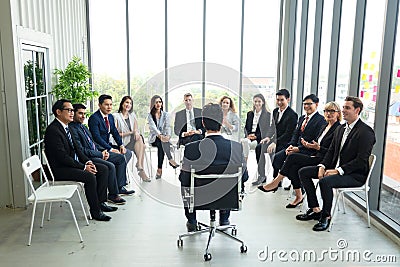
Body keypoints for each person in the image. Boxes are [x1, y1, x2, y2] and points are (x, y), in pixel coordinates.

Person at [296, 96, 375, 231]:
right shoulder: (341, 128)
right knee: (303, 172)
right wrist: (322, 166)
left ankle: (326, 216)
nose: (343, 110)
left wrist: (338, 170)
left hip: (354, 175)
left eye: (347, 108)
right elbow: (331, 152)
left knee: (325, 182)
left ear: (357, 110)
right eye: (343, 107)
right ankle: (315, 209)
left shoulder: (366, 132)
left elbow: (361, 161)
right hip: (333, 168)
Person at [179, 103, 249, 232]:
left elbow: (184, 180)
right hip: (228, 198)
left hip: (200, 198)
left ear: (204, 123)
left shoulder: (191, 149)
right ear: (222, 122)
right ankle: (224, 218)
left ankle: (192, 221)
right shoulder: (236, 148)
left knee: (185, 185)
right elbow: (244, 177)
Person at [259, 101, 342, 209]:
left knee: (292, 157)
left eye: (332, 111)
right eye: (326, 111)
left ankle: (276, 181)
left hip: (325, 161)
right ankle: (299, 197)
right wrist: (308, 145)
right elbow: (313, 141)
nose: (329, 114)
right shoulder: (325, 126)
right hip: (315, 155)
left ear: (338, 113)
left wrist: (317, 148)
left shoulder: (338, 129)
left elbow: (333, 151)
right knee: (293, 167)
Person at [44, 99, 115, 221]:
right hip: (59, 169)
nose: (72, 113)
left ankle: (101, 203)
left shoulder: (68, 127)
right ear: (58, 112)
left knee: (102, 168)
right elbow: (63, 158)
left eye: (72, 110)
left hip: (70, 164)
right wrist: (83, 167)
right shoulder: (53, 131)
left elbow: (78, 149)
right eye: (69, 110)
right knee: (89, 176)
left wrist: (88, 162)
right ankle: (95, 211)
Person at [70, 103, 127, 205]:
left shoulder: (82, 126)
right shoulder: (73, 128)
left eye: (84, 113)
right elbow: (81, 150)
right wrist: (100, 154)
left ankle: (119, 187)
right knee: (109, 166)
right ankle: (112, 195)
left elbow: (93, 142)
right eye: (80, 114)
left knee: (120, 158)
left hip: (98, 151)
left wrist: (104, 151)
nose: (83, 116)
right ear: (73, 113)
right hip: (89, 156)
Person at [270, 94, 326, 186]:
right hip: (296, 147)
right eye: (304, 104)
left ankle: (295, 183)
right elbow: (295, 134)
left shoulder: (321, 120)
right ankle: (295, 180)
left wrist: (298, 149)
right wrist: (291, 145)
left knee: (292, 163)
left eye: (309, 104)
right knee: (277, 158)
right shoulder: (302, 118)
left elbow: (315, 139)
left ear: (316, 104)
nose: (306, 106)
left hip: (308, 150)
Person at [88, 94, 135, 195]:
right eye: (106, 105)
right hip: (99, 148)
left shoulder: (110, 117)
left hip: (107, 144)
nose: (109, 107)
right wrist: (110, 149)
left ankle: (119, 184)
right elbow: (96, 138)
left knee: (128, 153)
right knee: (120, 158)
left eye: (110, 105)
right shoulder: (94, 118)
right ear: (100, 105)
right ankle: (118, 187)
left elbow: (114, 132)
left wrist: (121, 145)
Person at [253, 89, 298, 186]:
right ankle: (262, 176)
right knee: (259, 148)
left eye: (282, 100)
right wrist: (268, 137)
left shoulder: (293, 115)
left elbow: (288, 134)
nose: (279, 102)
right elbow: (272, 128)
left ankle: (276, 179)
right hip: (275, 140)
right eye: (278, 100)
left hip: (285, 142)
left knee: (275, 155)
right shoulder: (275, 111)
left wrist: (275, 143)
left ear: (288, 100)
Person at [113, 96, 149, 182]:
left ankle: (139, 164)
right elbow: (115, 134)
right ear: (122, 104)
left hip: (132, 141)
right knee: (142, 147)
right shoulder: (116, 116)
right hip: (122, 143)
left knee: (139, 138)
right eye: (126, 102)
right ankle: (141, 170)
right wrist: (130, 133)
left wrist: (135, 132)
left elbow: (135, 130)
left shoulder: (132, 115)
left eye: (130, 103)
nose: (128, 105)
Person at [242, 94, 275, 184]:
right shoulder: (250, 114)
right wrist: (248, 135)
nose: (257, 103)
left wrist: (256, 136)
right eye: (255, 101)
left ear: (263, 102)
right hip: (250, 137)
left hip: (260, 138)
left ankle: (262, 175)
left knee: (259, 148)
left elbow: (266, 129)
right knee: (243, 143)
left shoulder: (267, 115)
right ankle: (244, 170)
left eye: (259, 101)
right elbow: (246, 128)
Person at [147, 95, 179, 179]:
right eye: (156, 102)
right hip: (154, 138)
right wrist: (160, 136)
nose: (158, 104)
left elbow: (168, 126)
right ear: (153, 104)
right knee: (163, 142)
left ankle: (159, 170)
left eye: (160, 102)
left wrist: (168, 136)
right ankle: (170, 159)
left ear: (162, 103)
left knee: (162, 144)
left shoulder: (166, 114)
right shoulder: (150, 115)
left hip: (164, 138)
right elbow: (153, 128)